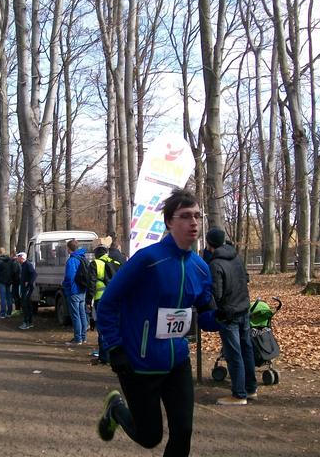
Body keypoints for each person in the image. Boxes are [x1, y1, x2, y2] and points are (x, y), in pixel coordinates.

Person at [96, 188, 219, 456]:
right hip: (139, 361)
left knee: (183, 432)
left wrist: (226, 317)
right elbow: (107, 303)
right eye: (185, 216)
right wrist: (114, 347)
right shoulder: (148, 260)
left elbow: (206, 317)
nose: (194, 222)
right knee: (150, 437)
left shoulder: (200, 268)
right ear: (169, 222)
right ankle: (116, 409)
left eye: (197, 216)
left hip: (177, 361)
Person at [203, 227, 257, 405]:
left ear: (209, 244)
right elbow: (245, 278)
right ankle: (250, 388)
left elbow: (216, 294)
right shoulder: (236, 256)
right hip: (244, 309)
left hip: (228, 314)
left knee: (234, 354)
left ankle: (239, 394)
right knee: (246, 349)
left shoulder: (215, 264)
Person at [87, 245, 121, 364]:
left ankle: (104, 357)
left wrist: (88, 301)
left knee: (102, 328)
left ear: (96, 254)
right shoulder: (116, 262)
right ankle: (115, 355)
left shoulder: (95, 264)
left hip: (100, 299)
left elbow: (91, 283)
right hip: (116, 299)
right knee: (115, 326)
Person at [62, 239, 89, 345]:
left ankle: (78, 339)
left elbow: (69, 277)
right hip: (82, 290)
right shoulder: (82, 257)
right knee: (82, 314)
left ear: (69, 249)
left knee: (76, 315)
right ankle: (83, 337)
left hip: (74, 291)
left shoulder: (72, 260)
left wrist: (65, 285)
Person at [0, 248, 14, 318]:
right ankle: (9, 312)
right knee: (9, 297)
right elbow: (13, 270)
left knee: (3, 297)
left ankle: (2, 313)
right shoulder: (10, 260)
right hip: (9, 280)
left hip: (1, 280)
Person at [16, 252, 37, 330]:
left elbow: (34, 274)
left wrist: (29, 282)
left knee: (25, 305)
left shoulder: (28, 264)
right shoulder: (23, 265)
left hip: (27, 288)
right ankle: (29, 322)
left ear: (22, 257)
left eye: (18, 257)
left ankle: (26, 322)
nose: (17, 259)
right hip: (24, 288)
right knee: (27, 304)